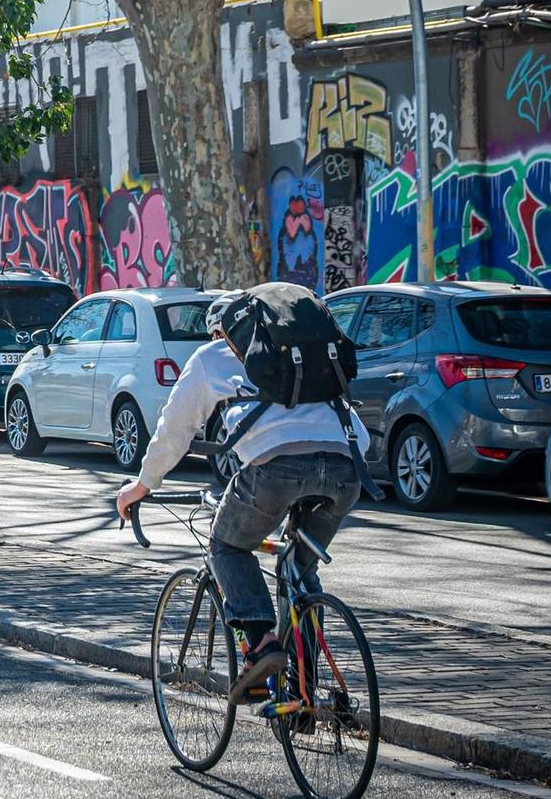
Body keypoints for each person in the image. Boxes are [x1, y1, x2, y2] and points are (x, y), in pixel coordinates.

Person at [116, 291, 368, 704]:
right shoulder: (306, 354)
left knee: (226, 546)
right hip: (346, 470)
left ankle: (261, 644)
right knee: (300, 571)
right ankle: (304, 694)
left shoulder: (214, 355)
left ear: (223, 329)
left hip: (275, 470)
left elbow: (174, 429)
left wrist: (142, 485)